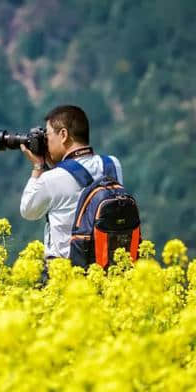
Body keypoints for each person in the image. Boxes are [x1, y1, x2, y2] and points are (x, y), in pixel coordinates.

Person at [19, 105, 123, 282]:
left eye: (48, 135)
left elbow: (28, 211)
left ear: (64, 135)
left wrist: (38, 167)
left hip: (66, 275)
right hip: (109, 272)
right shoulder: (112, 165)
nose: (46, 141)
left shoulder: (52, 179)